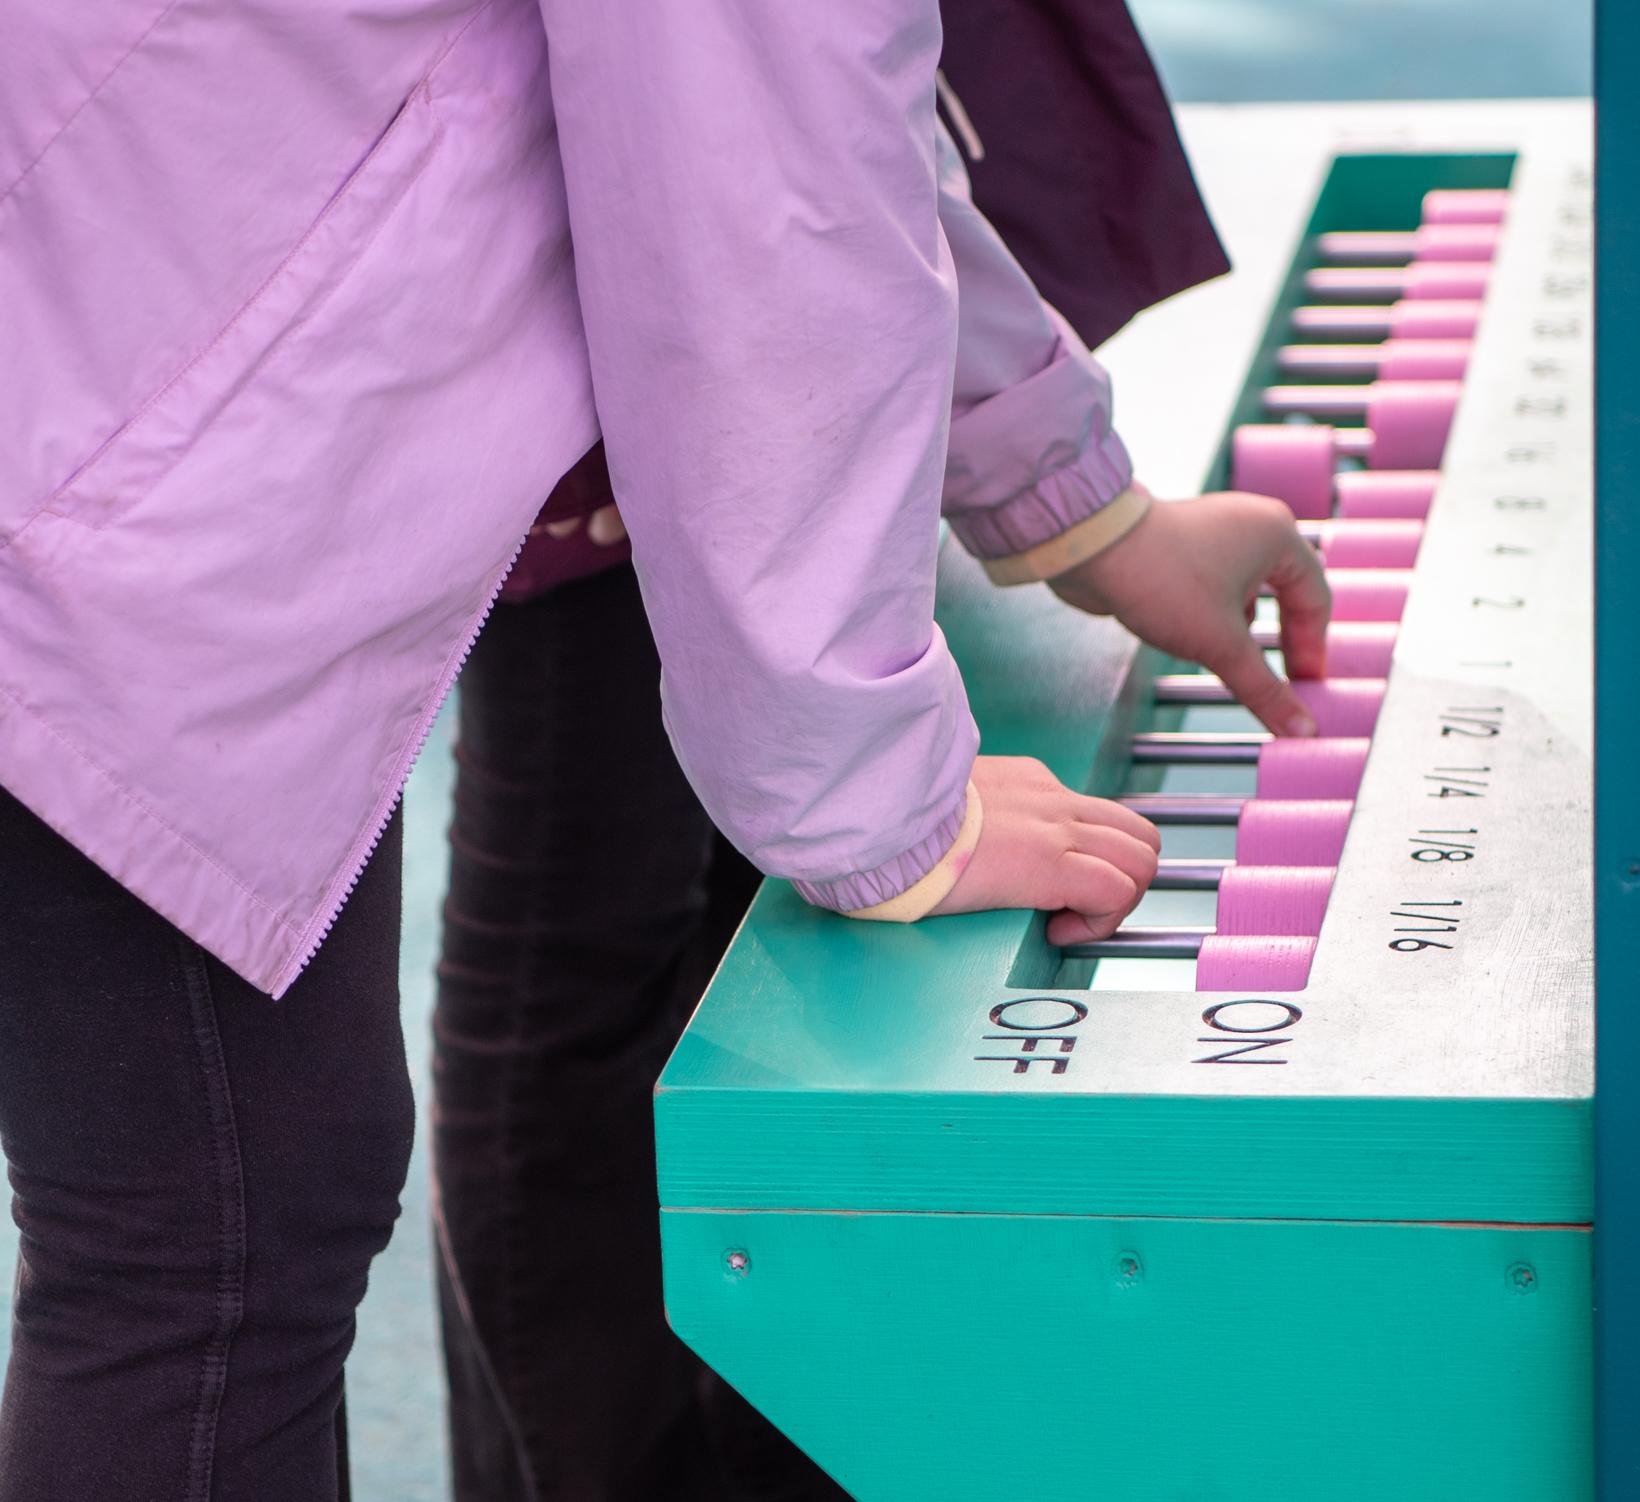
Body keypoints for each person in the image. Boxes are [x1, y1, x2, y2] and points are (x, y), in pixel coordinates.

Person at [0, 1, 1328, 1497]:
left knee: (241, 1213)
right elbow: (767, 171)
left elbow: (808, 133)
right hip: (108, 449)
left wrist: (1078, 498)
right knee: (212, 1249)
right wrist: (882, 796)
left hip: (114, 342)